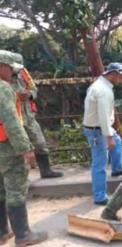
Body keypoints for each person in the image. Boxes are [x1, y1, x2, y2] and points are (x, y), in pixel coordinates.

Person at [0, 50, 47, 246]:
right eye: (11, 69)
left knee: (1, 190)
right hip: (8, 149)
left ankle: (2, 232)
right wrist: (26, 149)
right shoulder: (3, 88)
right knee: (16, 190)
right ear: (2, 67)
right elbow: (12, 122)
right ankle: (23, 235)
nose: (13, 74)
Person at [83, 62, 122, 205]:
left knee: (118, 142)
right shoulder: (103, 91)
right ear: (113, 74)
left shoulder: (101, 85)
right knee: (100, 163)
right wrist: (108, 137)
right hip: (98, 130)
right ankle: (100, 196)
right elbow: (103, 116)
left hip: (100, 127)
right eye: (121, 76)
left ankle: (117, 168)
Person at [11, 53, 63, 179]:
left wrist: (29, 95)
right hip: (12, 119)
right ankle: (16, 178)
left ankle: (46, 171)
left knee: (40, 143)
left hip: (28, 116)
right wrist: (16, 97)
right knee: (13, 150)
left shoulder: (23, 72)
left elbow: (33, 88)